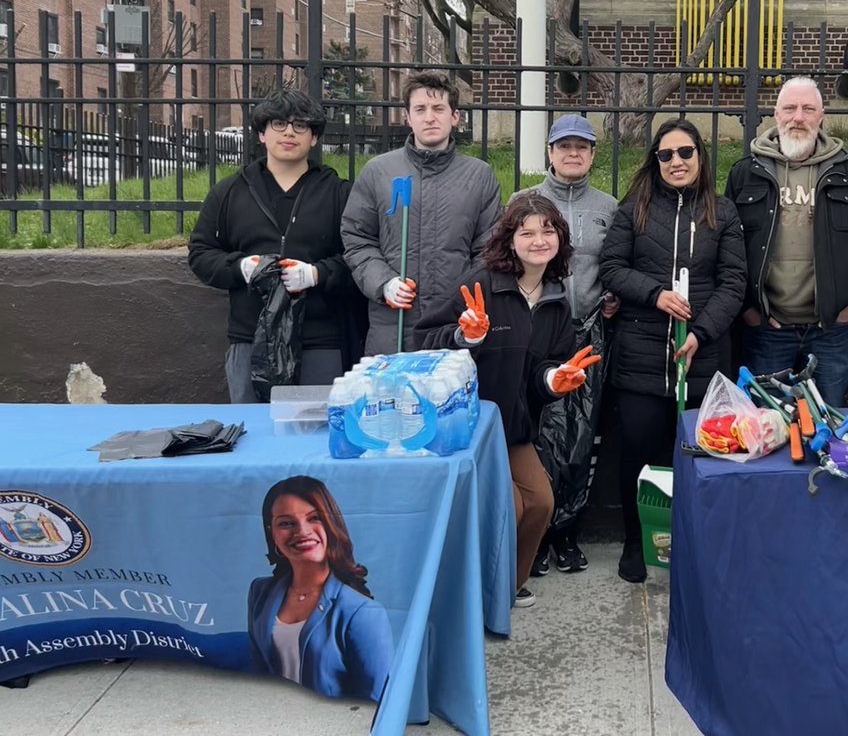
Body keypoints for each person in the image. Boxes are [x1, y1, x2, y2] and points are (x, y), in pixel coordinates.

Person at [418, 195, 599, 608]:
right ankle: (478, 595)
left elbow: (543, 370)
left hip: (514, 427)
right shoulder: (482, 283)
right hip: (469, 427)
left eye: (548, 231)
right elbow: (425, 341)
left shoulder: (555, 297)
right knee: (510, 507)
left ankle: (506, 587)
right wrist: (469, 337)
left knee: (541, 503)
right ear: (510, 240)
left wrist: (554, 379)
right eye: (527, 232)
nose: (539, 240)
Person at [599, 118, 746, 583]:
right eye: (666, 155)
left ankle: (693, 541)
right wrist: (654, 293)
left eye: (685, 153)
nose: (676, 162)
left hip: (700, 356)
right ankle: (634, 542)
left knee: (699, 456)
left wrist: (702, 331)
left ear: (700, 157)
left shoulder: (721, 212)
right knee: (638, 450)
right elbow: (612, 267)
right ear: (655, 161)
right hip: (642, 353)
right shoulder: (634, 208)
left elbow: (733, 281)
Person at [188, 89, 364, 402]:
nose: (289, 133)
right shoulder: (229, 192)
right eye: (279, 124)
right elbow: (201, 253)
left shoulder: (339, 193)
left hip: (320, 341)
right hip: (250, 339)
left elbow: (360, 258)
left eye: (301, 126)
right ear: (261, 134)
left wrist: (317, 274)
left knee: (317, 437)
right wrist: (241, 267)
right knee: (254, 439)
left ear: (314, 138)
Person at [725, 76, 848, 407]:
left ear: (821, 115)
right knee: (766, 430)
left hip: (830, 329)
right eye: (790, 108)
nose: (799, 117)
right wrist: (749, 311)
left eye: (808, 109)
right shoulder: (746, 172)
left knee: (828, 424)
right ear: (776, 114)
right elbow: (729, 248)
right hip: (767, 329)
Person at [511, 114, 619, 576]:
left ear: (593, 154)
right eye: (564, 146)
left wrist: (613, 294)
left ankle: (567, 533)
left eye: (582, 146)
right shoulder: (522, 202)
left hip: (589, 332)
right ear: (549, 154)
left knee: (580, 439)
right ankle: (535, 535)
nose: (573, 153)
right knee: (538, 434)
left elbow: (618, 262)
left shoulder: (609, 207)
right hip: (538, 332)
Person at [341, 70, 500, 354]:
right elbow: (357, 238)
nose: (430, 117)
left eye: (439, 108)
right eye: (421, 109)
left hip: (453, 326)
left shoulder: (479, 176)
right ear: (407, 116)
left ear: (455, 117)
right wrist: (383, 283)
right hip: (392, 327)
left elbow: (489, 249)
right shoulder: (379, 172)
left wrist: (464, 297)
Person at [247, 476, 393, 701]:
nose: (302, 531)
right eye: (286, 523)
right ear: (272, 533)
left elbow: (378, 704)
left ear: (331, 524)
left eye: (314, 518)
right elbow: (258, 674)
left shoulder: (363, 612)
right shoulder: (260, 592)